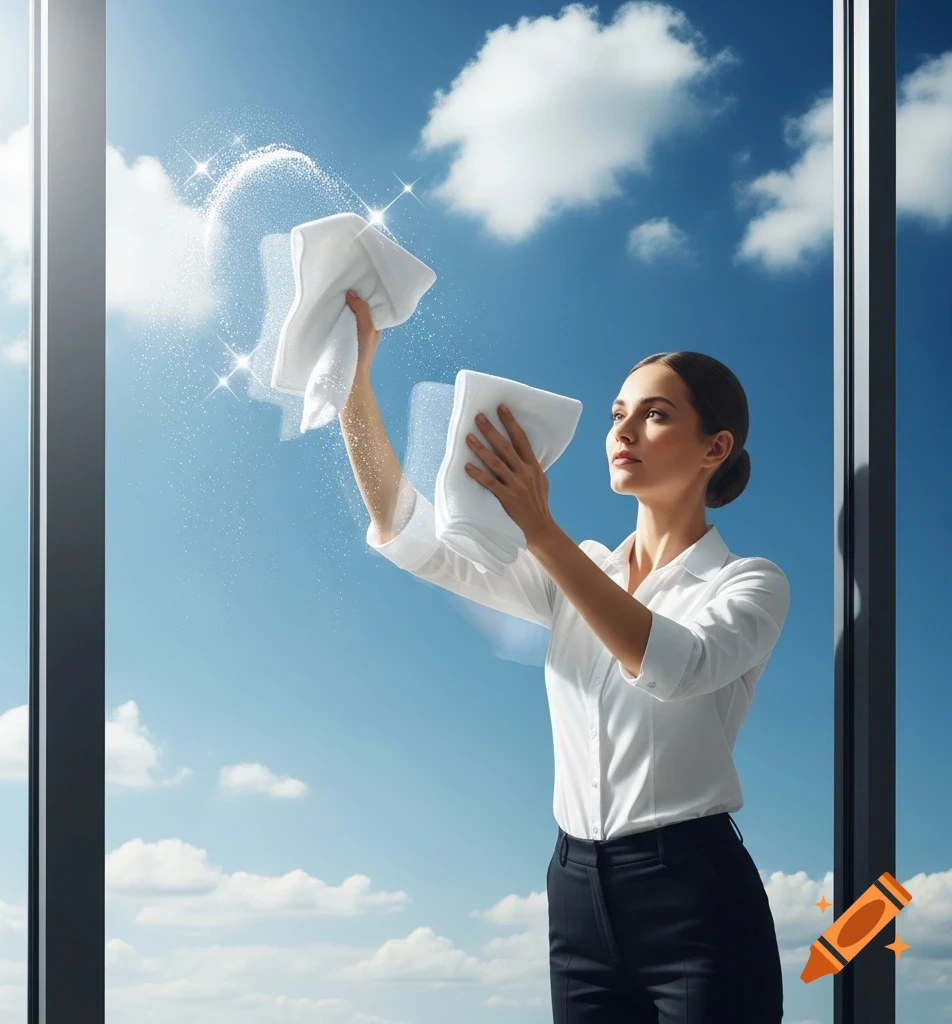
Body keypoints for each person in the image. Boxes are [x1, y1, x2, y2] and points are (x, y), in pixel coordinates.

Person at [337, 288, 790, 1023]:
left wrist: (540, 530)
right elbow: (409, 532)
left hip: (696, 901)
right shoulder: (581, 574)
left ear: (716, 448)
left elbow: (671, 666)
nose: (626, 428)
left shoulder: (750, 583)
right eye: (619, 414)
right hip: (576, 896)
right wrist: (353, 390)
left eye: (655, 412)